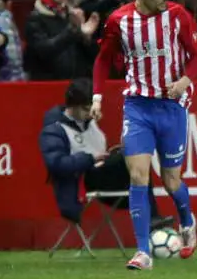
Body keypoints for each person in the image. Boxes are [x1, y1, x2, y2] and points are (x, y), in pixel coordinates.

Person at [91, 0, 197, 270]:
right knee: (139, 175)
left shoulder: (178, 16)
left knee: (171, 181)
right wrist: (97, 96)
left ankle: (186, 219)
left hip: (172, 107)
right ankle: (142, 251)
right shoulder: (119, 20)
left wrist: (184, 81)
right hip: (138, 106)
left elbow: (196, 56)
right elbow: (103, 60)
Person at [40, 79, 171, 229]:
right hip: (82, 180)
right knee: (130, 156)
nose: (90, 114)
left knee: (135, 157)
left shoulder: (88, 121)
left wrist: (109, 154)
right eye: (85, 109)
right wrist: (89, 158)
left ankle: (151, 218)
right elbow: (56, 164)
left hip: (102, 171)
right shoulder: (54, 129)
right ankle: (151, 219)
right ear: (73, 106)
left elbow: (98, 149)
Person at [23, 0, 100, 81]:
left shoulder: (75, 15)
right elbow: (44, 51)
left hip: (78, 85)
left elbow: (93, 57)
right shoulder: (34, 19)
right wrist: (72, 31)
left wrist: (86, 38)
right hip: (48, 84)